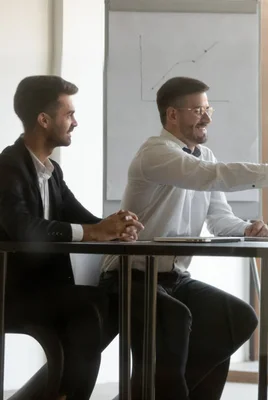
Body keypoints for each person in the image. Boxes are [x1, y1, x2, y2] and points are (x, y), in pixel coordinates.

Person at [99, 76, 268, 400]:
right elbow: (213, 177)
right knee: (175, 317)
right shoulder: (155, 153)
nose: (207, 117)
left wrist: (245, 228)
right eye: (197, 110)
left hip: (173, 278)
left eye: (208, 109)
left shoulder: (204, 155)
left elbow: (219, 219)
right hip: (129, 276)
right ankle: (152, 391)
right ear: (172, 115)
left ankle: (147, 392)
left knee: (235, 318)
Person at [0, 75, 144, 400]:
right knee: (89, 305)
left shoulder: (52, 171)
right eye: (69, 114)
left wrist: (116, 226)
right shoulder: (8, 167)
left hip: (46, 290)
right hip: (13, 293)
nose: (75, 122)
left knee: (102, 304)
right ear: (44, 120)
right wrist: (94, 232)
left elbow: (85, 219)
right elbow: (22, 227)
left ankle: (64, 393)